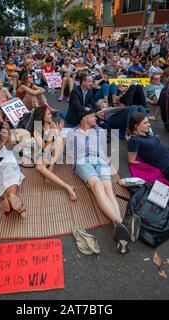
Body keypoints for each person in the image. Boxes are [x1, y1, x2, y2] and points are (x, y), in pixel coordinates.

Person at [66, 107, 140, 254]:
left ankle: (120, 231)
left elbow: (103, 152)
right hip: (83, 161)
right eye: (93, 116)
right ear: (84, 118)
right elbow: (69, 154)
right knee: (97, 185)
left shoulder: (99, 131)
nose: (96, 118)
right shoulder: (71, 134)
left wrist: (111, 167)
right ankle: (120, 223)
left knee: (108, 188)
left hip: (100, 160)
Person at [30, 105, 76, 200]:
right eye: (48, 113)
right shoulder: (37, 128)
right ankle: (67, 186)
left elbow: (59, 142)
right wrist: (51, 135)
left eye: (50, 113)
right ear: (42, 116)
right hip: (45, 152)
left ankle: (51, 166)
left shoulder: (52, 124)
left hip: (55, 152)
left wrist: (58, 129)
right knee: (39, 167)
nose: (51, 115)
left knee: (59, 140)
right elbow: (43, 146)